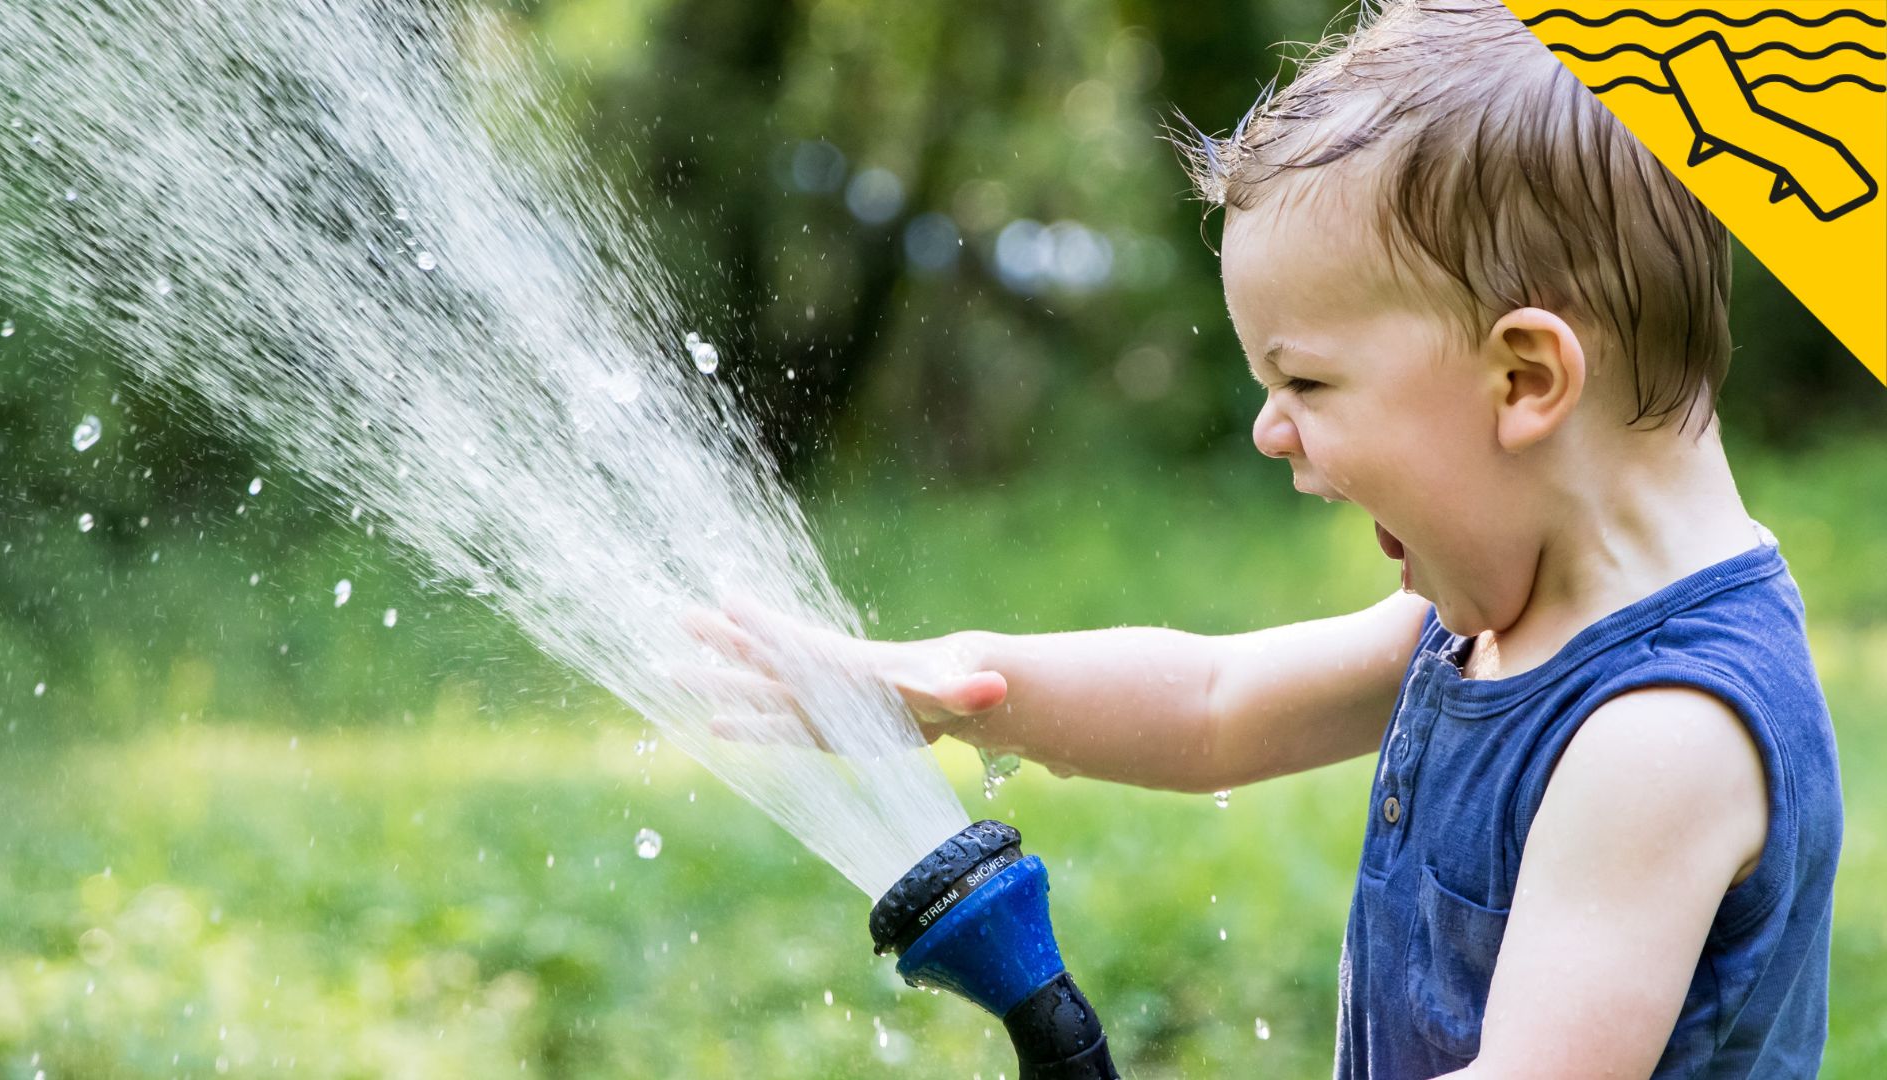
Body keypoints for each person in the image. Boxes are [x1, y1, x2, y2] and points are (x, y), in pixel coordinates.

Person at [688, 1, 1842, 1075]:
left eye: (1307, 379)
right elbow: (1213, 701)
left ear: (1525, 376)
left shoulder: (1663, 736)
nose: (1268, 428)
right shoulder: (1498, 625)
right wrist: (944, 687)